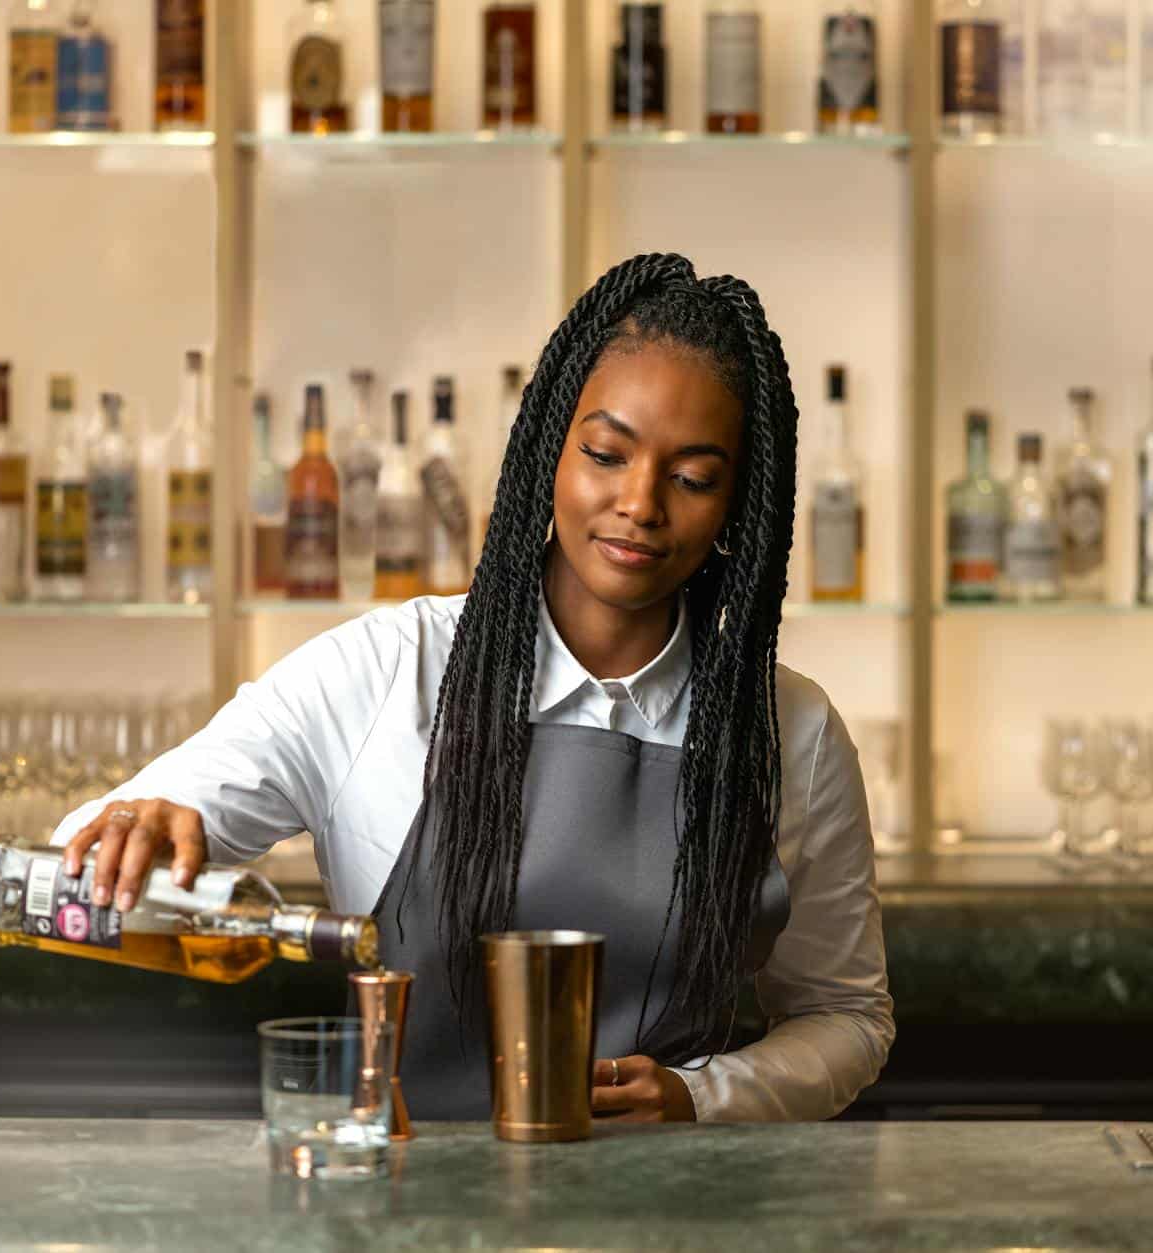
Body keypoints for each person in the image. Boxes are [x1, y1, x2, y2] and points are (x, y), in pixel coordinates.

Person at [53, 253, 893, 1122]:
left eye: (691, 478)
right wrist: (140, 825)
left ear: (738, 505)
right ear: (546, 452)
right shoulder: (386, 668)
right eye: (606, 453)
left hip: (671, 1217)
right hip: (401, 1213)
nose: (639, 502)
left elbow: (848, 1016)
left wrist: (703, 1096)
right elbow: (81, 859)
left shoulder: (790, 732)